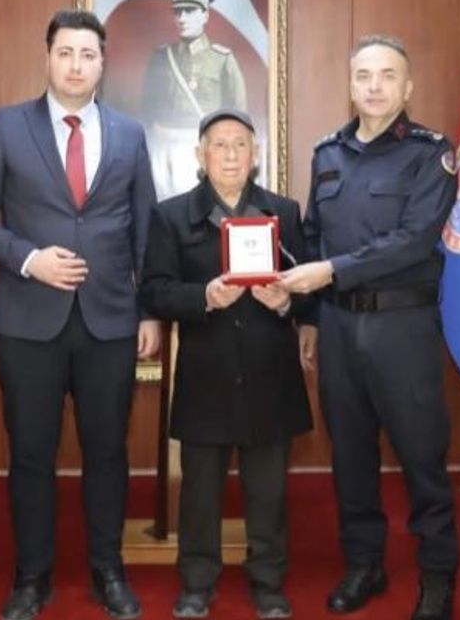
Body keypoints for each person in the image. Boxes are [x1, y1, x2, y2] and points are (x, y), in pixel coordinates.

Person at [0, 9, 161, 620]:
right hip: (28, 320)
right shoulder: (7, 125)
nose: (76, 65)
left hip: (110, 321)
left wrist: (149, 312)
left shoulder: (129, 134)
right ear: (47, 57)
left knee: (108, 452)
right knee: (30, 453)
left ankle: (108, 571)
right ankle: (32, 577)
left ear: (103, 62)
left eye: (88, 54)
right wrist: (28, 260)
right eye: (65, 52)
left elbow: (145, 231)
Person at [276, 35, 459, 620]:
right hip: (336, 326)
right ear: (350, 86)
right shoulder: (327, 153)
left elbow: (412, 241)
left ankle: (438, 576)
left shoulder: (431, 153)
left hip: (402, 327)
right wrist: (309, 317)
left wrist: (330, 272)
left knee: (421, 456)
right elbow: (313, 237)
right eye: (363, 76)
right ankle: (364, 564)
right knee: (349, 454)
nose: (374, 86)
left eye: (387, 76)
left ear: (407, 88)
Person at [139, 108, 314, 620]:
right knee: (199, 491)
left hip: (269, 371)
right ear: (201, 155)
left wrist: (286, 300)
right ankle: (197, 583)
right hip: (207, 376)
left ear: (255, 154)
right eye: (220, 145)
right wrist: (203, 297)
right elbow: (154, 290)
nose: (231, 154)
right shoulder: (171, 216)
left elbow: (310, 289)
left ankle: (268, 583)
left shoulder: (284, 212)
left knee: (268, 490)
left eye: (241, 144)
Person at [140, 0, 247, 200]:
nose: (182, 18)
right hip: (165, 150)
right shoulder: (161, 58)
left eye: (189, 11)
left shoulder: (222, 59)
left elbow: (238, 117)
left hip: (207, 154)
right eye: (178, 12)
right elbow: (147, 110)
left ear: (205, 15)